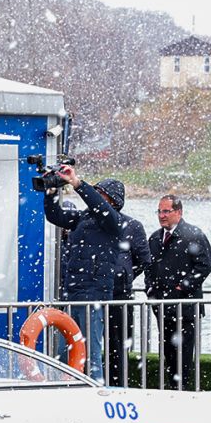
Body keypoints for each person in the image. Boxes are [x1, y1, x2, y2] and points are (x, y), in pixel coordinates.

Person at [43, 164, 129, 382]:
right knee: (65, 352)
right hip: (73, 293)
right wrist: (51, 192)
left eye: (101, 193)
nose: (96, 196)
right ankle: (63, 387)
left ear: (113, 201)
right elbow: (56, 216)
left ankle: (93, 389)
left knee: (91, 352)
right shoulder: (83, 217)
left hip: (94, 294)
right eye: (96, 191)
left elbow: (99, 206)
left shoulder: (114, 221)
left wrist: (78, 183)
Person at [145, 195, 211, 389]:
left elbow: (205, 266)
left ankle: (181, 390)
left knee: (183, 355)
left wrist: (182, 287)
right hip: (162, 307)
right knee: (168, 352)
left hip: (186, 308)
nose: (162, 215)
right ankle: (172, 388)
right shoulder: (155, 238)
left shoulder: (194, 235)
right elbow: (148, 267)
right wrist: (150, 289)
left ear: (179, 212)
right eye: (159, 211)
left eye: (166, 211)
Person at [106, 190, 151, 386]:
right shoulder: (91, 222)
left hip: (120, 296)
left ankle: (118, 384)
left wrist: (124, 276)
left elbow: (144, 260)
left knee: (119, 344)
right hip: (95, 293)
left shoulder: (133, 225)